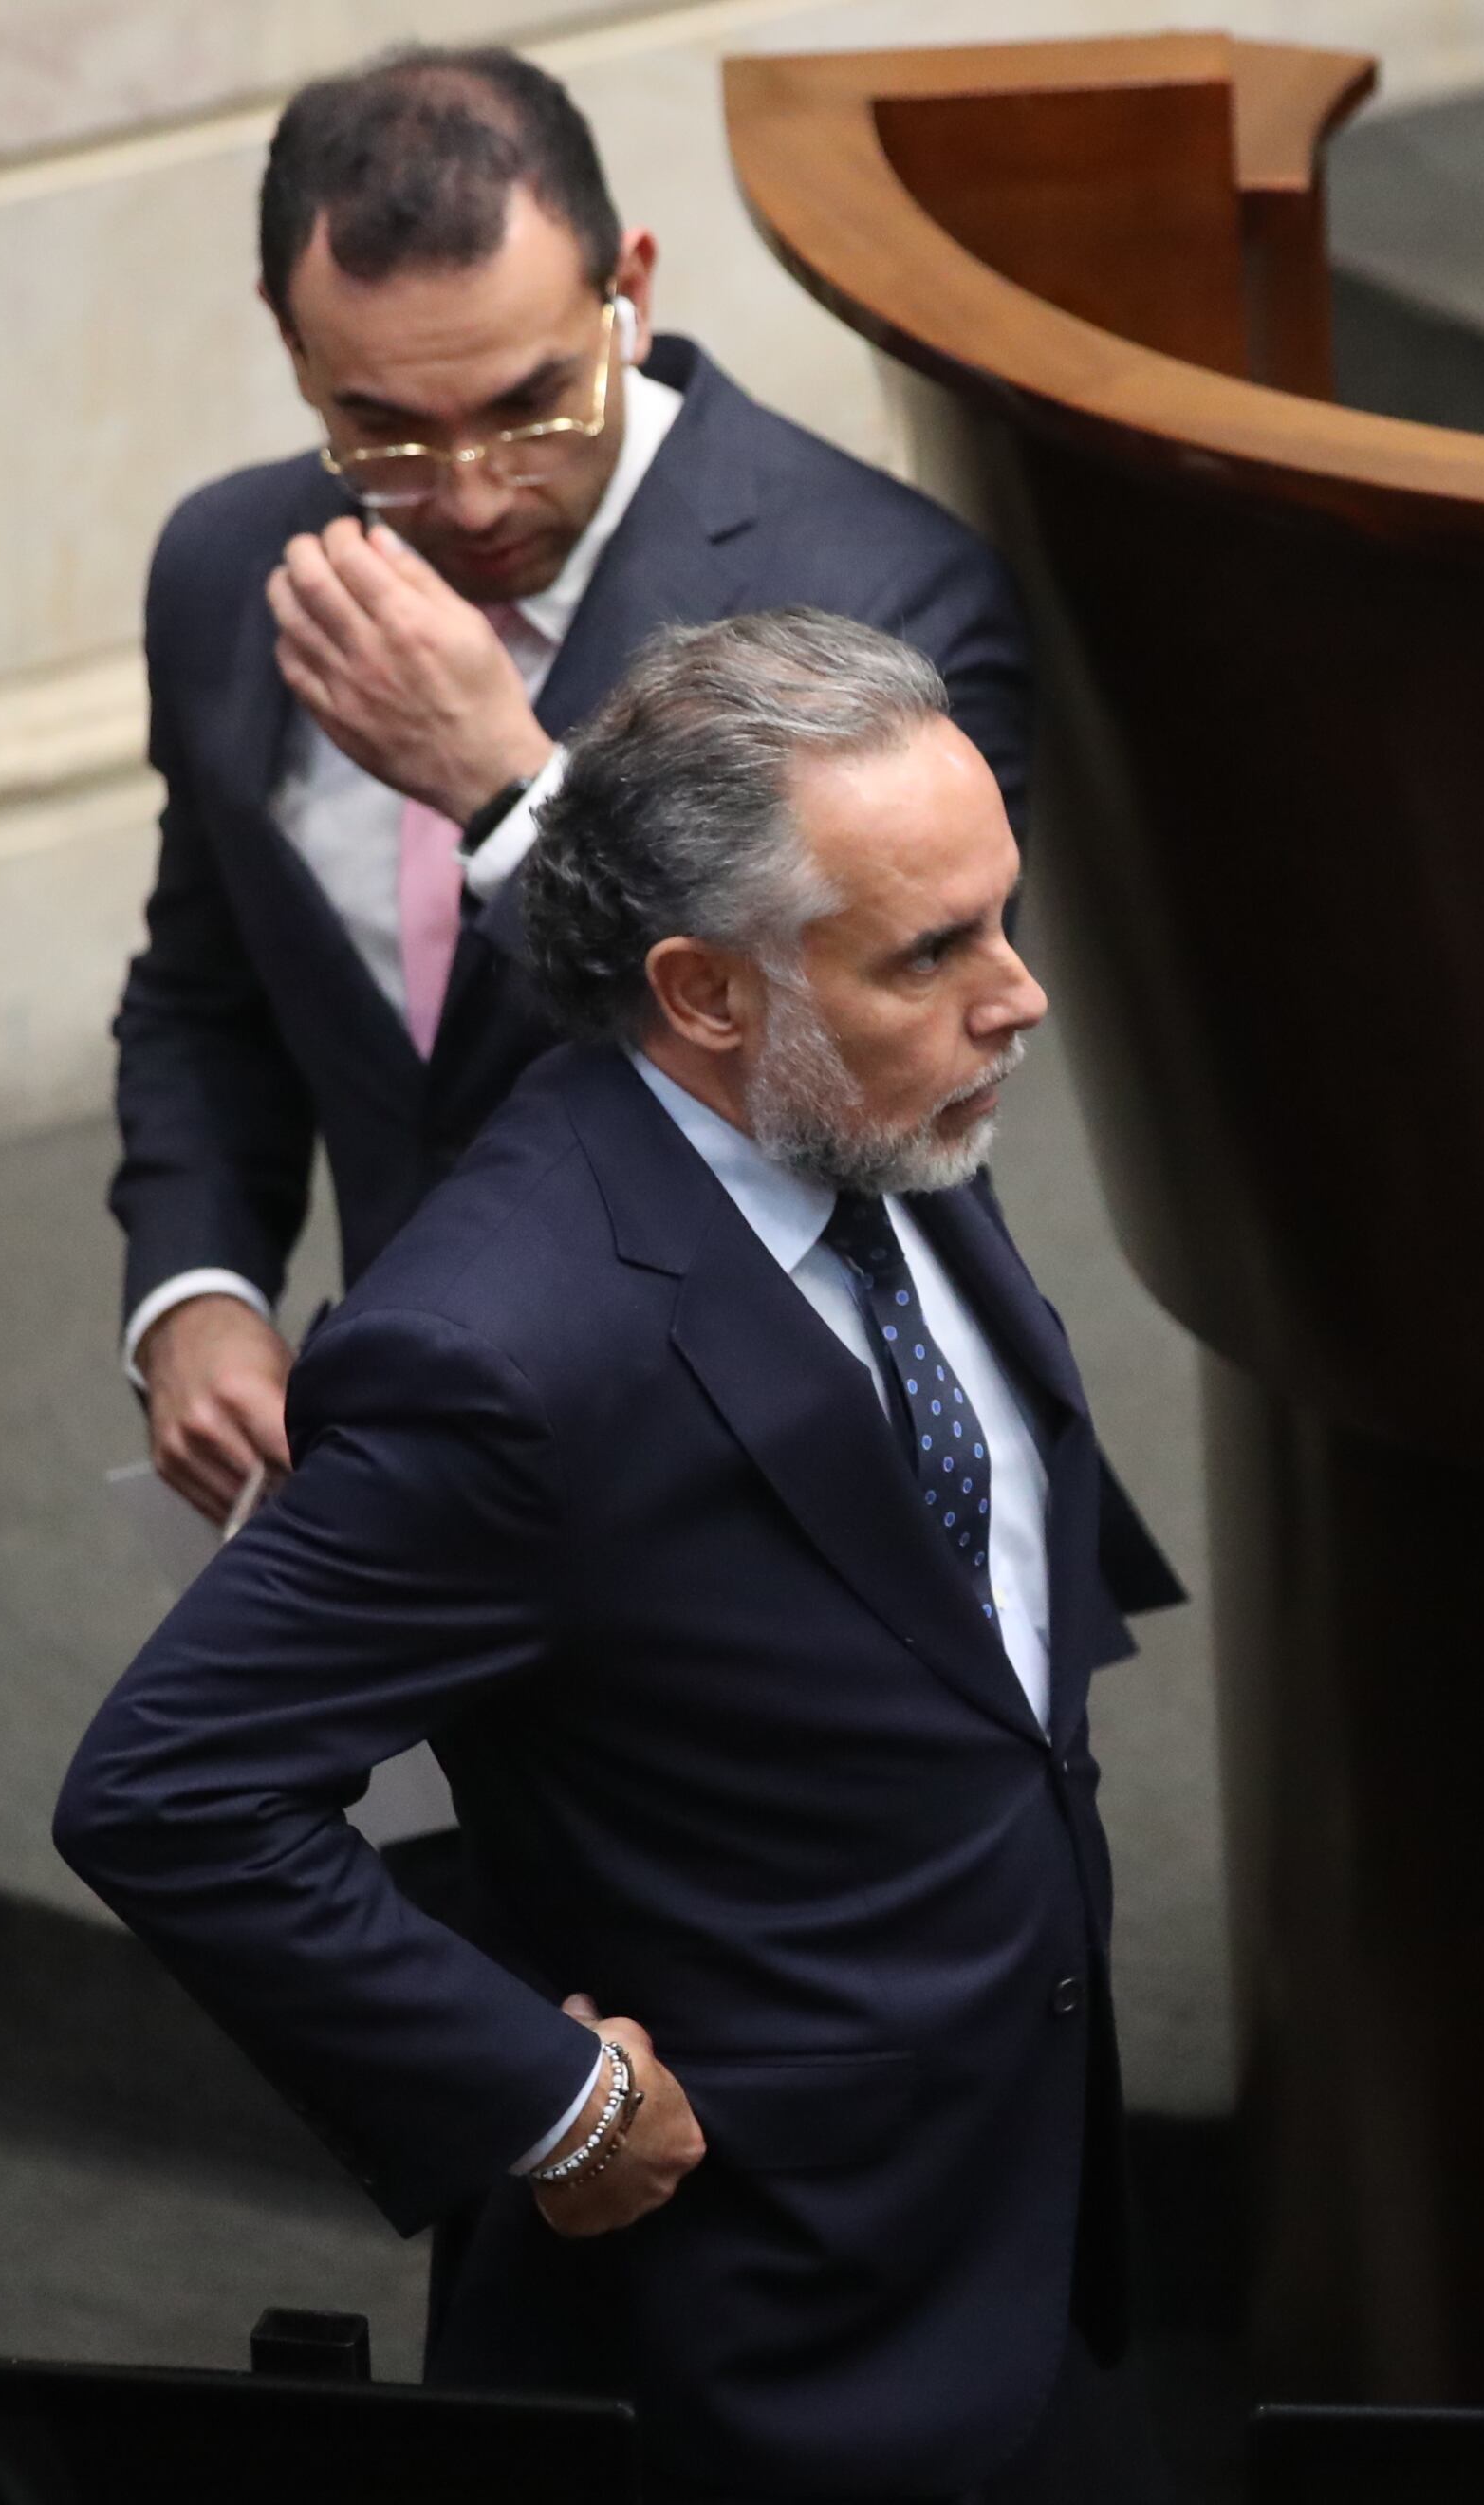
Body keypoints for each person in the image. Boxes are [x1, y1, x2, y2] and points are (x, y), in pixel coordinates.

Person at [60, 608, 1180, 2505]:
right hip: (761, 2332)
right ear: (709, 993)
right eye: (936, 948)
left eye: (1005, 915)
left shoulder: (879, 1100)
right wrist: (544, 2095)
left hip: (1007, 2217)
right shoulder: (503, 1349)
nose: (1022, 997)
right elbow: (172, 1791)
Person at [113, 46, 1032, 1524]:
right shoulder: (229, 572)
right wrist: (193, 1287)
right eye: (390, 430)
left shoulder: (878, 598)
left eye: (531, 406)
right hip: (424, 1462)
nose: (472, 492)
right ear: (292, 352)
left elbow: (863, 1082)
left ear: (632, 293)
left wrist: (509, 798)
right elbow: (209, 993)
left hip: (785, 1488)